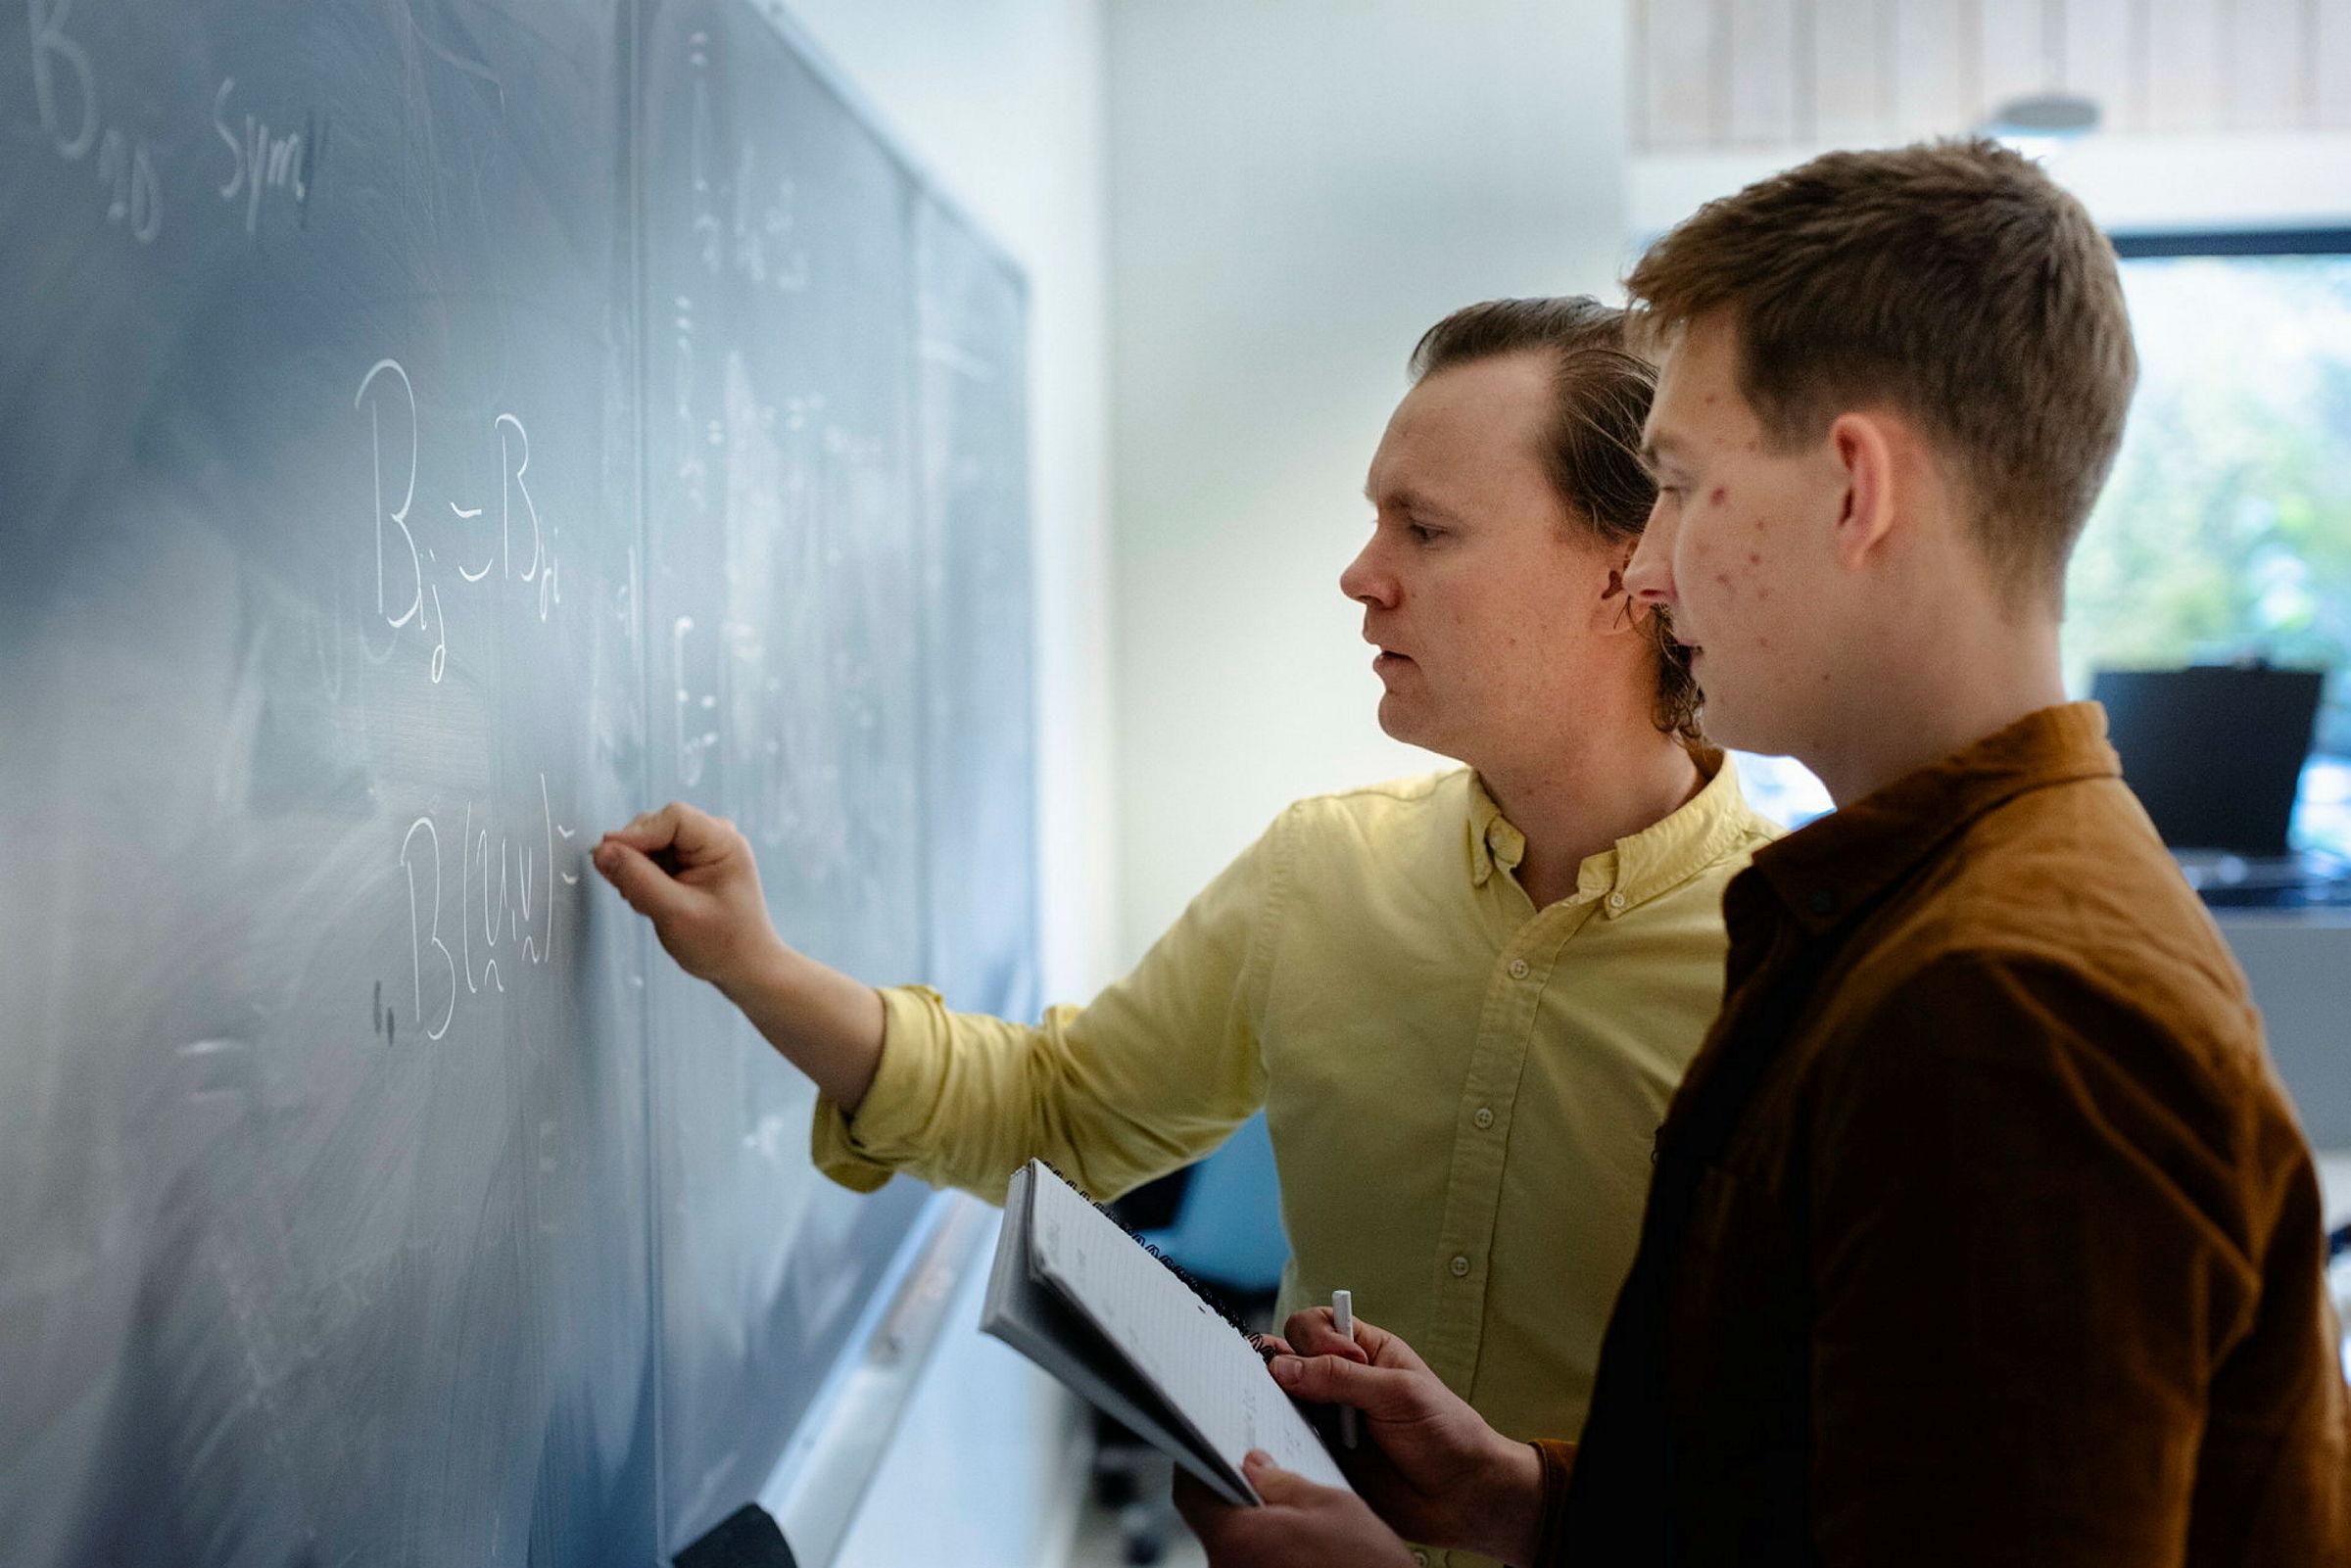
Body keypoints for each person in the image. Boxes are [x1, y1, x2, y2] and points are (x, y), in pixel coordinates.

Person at [1176, 139, 2351, 1567]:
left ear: (1856, 489)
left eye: (1677, 482)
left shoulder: (2013, 1006)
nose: (1648, 567)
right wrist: (1532, 1503)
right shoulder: (1900, 905)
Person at [593, 298, 1781, 1475]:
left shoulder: (1790, 962)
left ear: (1633, 571)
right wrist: (754, 963)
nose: (1361, 575)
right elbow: (1053, 1114)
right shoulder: (1323, 871)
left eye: (1424, 528)